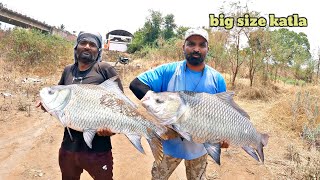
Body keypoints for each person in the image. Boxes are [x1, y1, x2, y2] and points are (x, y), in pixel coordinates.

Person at [129, 28, 228, 180]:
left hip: (199, 148)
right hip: (169, 145)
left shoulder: (217, 79)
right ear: (183, 47)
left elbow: (223, 114)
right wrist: (155, 103)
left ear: (208, 49)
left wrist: (224, 136)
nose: (196, 49)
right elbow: (136, 84)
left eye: (202, 45)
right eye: (191, 44)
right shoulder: (168, 71)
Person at [37, 31, 123, 180]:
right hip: (69, 147)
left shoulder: (104, 69)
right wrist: (47, 105)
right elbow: (60, 100)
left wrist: (112, 130)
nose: (87, 47)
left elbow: (120, 105)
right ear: (76, 47)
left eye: (93, 44)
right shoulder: (68, 70)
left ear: (98, 50)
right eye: (83, 43)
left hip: (98, 149)